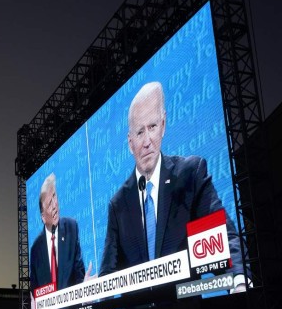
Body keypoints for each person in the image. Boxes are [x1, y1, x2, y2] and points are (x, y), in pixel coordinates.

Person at [99, 81, 248, 292]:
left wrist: (238, 281)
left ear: (163, 125)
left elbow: (222, 239)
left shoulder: (189, 176)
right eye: (140, 132)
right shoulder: (118, 204)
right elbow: (109, 274)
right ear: (130, 143)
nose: (147, 141)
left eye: (152, 127)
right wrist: (93, 298)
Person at [30, 173, 90, 290]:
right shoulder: (36, 249)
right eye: (49, 204)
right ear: (43, 217)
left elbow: (79, 272)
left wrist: (84, 286)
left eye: (54, 196)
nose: (54, 205)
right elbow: (35, 289)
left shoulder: (71, 228)